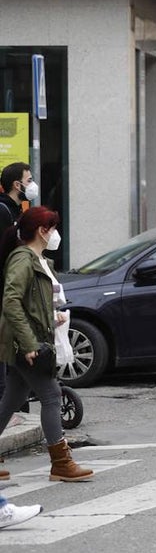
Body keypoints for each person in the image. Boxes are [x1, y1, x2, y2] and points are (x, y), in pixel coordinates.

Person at [0, 207, 92, 482]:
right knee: (52, 396)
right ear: (42, 231)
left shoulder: (39, 260)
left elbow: (33, 304)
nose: (55, 233)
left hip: (32, 340)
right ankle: (61, 463)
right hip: (27, 343)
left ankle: (61, 463)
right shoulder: (23, 259)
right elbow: (11, 301)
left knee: (13, 398)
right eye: (52, 228)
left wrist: (54, 315)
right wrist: (29, 342)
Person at [0, 162, 36, 406]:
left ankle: (16, 402)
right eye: (29, 180)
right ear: (17, 184)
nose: (32, 185)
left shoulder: (16, 209)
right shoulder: (4, 210)